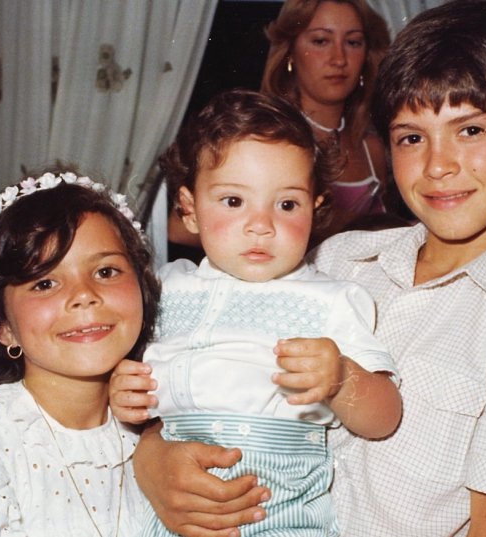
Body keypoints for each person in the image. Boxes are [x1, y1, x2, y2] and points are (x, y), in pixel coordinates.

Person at [113, 2, 486, 536]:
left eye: (470, 130)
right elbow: (211, 372)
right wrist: (151, 455)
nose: (437, 164)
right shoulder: (337, 259)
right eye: (411, 137)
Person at [113, 88, 401, 537]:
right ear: (189, 209)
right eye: (233, 201)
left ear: (316, 207)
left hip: (279, 511)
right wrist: (126, 398)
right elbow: (141, 401)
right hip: (175, 511)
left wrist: (343, 377)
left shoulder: (330, 299)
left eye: (287, 204)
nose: (261, 224)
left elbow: (385, 416)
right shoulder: (167, 288)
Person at [0, 171, 161, 535]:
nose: (84, 294)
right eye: (45, 282)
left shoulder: (169, 425)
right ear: (2, 325)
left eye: (106, 271)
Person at [168, 0, 401, 254]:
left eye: (353, 42)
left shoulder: (373, 148)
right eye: (321, 41)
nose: (339, 59)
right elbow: (178, 229)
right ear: (290, 51)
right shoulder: (263, 138)